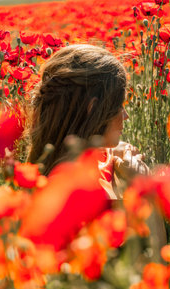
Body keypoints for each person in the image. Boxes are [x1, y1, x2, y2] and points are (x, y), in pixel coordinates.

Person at [26, 44, 148, 199]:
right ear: (93, 108)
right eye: (118, 106)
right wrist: (143, 186)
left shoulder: (69, 169)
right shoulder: (82, 193)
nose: (125, 116)